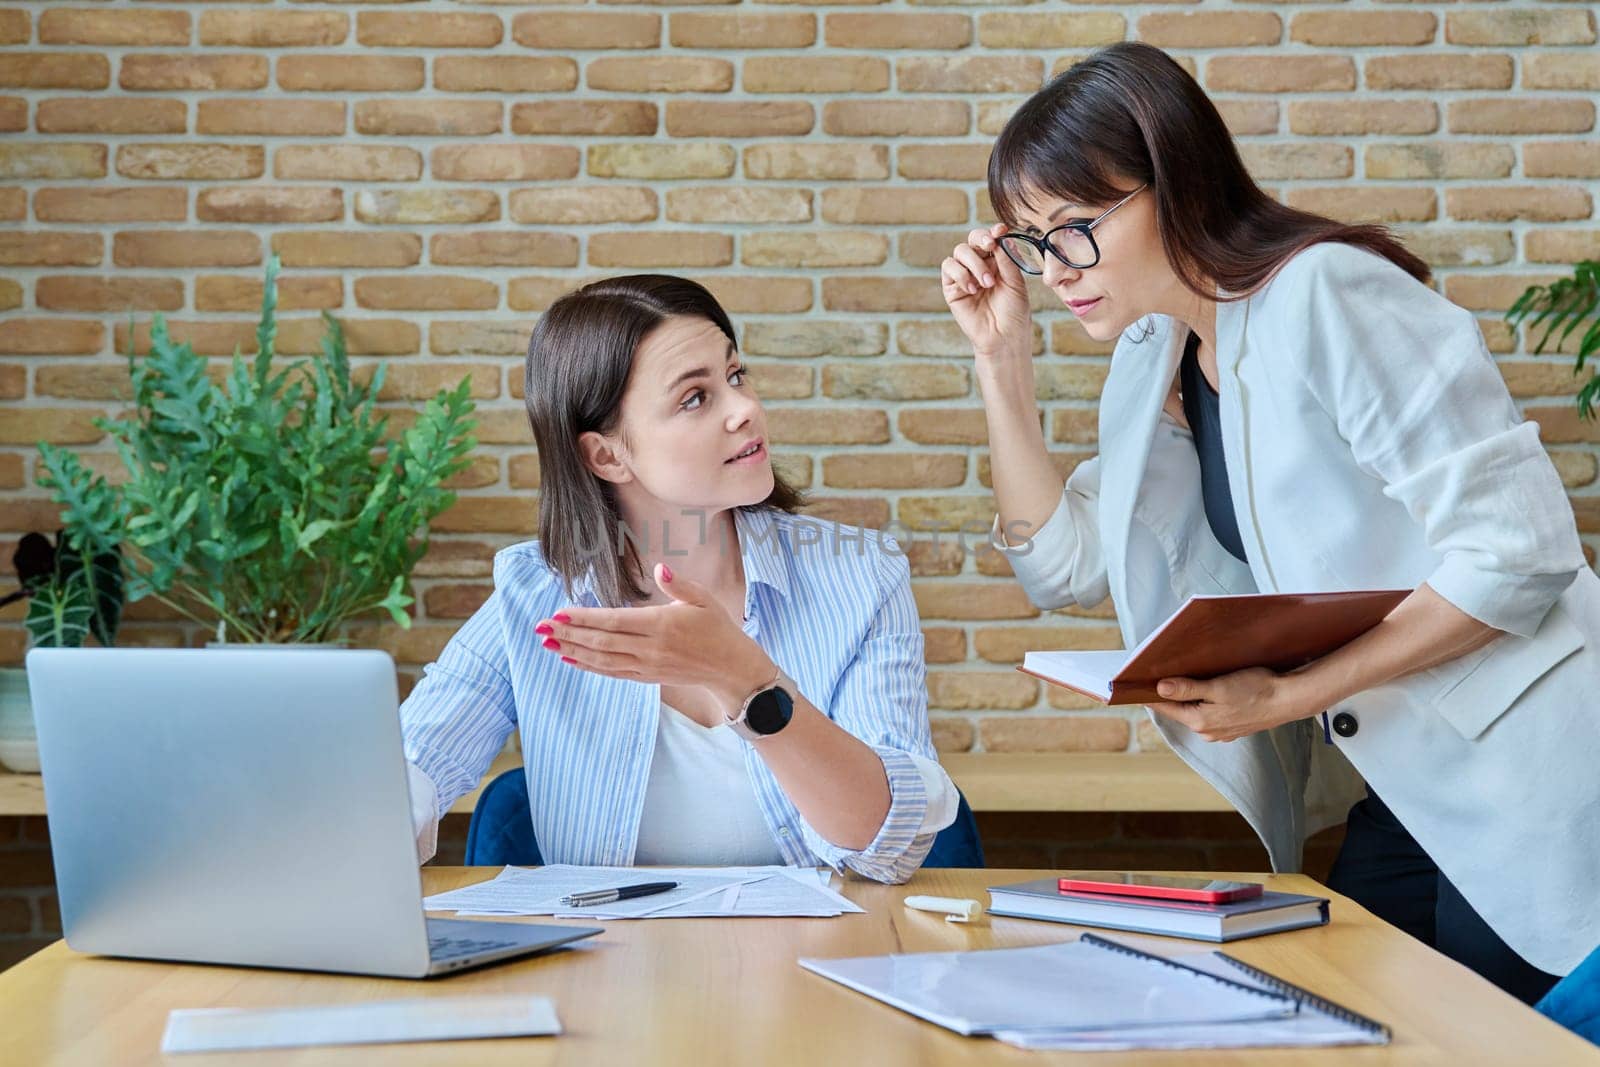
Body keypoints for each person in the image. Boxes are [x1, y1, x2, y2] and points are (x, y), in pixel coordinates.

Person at [942, 41, 1600, 1002]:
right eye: (1034, 241)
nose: (1054, 268)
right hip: (1409, 783)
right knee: (1345, 1012)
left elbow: (1518, 554)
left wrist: (1289, 694)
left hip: (1526, 763)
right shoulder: (1158, 354)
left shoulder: (1325, 291)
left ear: (1173, 182)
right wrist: (1002, 363)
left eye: (1075, 227)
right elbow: (1065, 565)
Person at [400, 274, 957, 884]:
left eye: (735, 375)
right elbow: (409, 769)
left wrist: (745, 679)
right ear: (607, 455)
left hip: (816, 963)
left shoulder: (860, 576)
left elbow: (890, 847)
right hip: (607, 970)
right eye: (695, 398)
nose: (744, 409)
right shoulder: (537, 593)